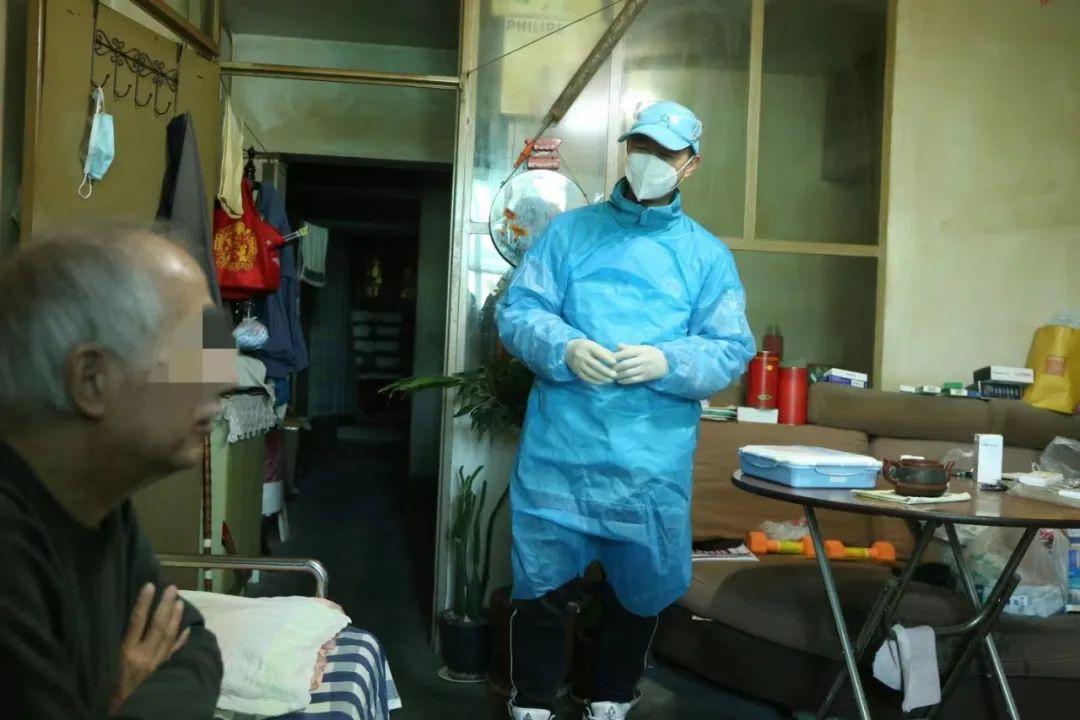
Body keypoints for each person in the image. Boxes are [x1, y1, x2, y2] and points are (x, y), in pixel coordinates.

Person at [497, 101, 756, 720]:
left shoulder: (706, 258)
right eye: (642, 146)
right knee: (541, 586)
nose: (650, 160)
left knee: (638, 593)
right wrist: (564, 346)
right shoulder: (567, 235)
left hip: (648, 463)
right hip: (563, 452)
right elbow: (520, 311)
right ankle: (532, 702)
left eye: (666, 152)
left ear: (690, 165)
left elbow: (729, 347)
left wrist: (670, 361)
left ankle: (610, 697)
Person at [0, 228, 236, 718]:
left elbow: (193, 645)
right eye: (195, 348)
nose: (226, 376)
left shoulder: (99, 506)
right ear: (91, 379)